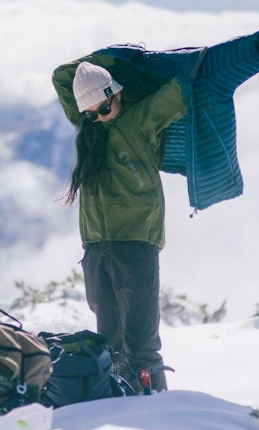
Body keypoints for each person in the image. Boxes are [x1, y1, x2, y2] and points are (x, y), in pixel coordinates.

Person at [51, 58, 187, 393]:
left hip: (136, 239)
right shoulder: (89, 127)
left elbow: (182, 90)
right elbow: (62, 76)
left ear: (118, 95)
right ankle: (117, 397)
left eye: (104, 107)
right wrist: (94, 73)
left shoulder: (141, 117)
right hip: (96, 244)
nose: (98, 117)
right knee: (108, 338)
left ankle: (159, 403)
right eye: (90, 114)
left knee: (141, 340)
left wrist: (125, 64)